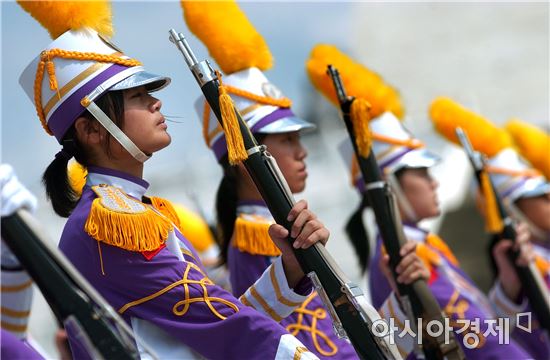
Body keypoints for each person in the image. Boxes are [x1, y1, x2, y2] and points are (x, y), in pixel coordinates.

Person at [18, 1, 328, 359]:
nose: (156, 104)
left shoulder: (133, 212)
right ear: (90, 130)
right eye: (138, 96)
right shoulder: (111, 223)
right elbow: (221, 323)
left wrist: (289, 269)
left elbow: (214, 319)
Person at [307, 45, 542, 358]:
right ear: (390, 185)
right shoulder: (401, 254)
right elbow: (474, 337)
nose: (434, 182)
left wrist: (509, 291)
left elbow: (483, 327)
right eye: (421, 172)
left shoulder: (425, 248)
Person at [183, 3, 359, 358]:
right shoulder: (253, 236)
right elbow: (304, 339)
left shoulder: (266, 226)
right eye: (287, 140)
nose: (302, 152)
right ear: (247, 156)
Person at [430, 97, 550, 358]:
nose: (549, 201)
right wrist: (511, 288)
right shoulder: (520, 270)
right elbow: (508, 327)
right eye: (540, 196)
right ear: (513, 210)